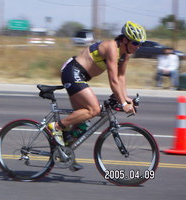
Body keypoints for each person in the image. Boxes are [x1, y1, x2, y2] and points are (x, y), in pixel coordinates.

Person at [48, 21, 146, 149]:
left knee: (82, 124)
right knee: (94, 109)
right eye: (135, 43)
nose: (137, 47)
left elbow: (121, 77)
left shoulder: (125, 55)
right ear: (125, 40)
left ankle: (64, 152)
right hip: (73, 72)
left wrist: (125, 97)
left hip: (81, 77)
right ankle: (56, 126)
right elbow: (113, 80)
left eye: (140, 44)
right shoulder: (112, 47)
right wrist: (123, 104)